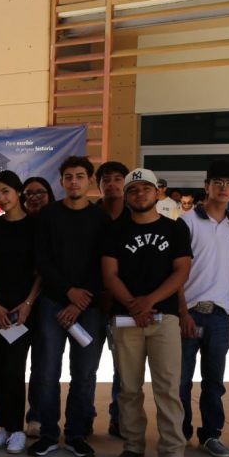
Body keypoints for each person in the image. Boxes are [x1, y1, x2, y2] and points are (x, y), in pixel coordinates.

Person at [100, 167, 192, 457]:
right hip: (126, 318)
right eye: (133, 190)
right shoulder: (114, 231)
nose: (140, 194)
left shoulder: (175, 229)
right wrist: (132, 305)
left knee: (168, 388)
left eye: (145, 189)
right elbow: (109, 274)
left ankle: (172, 452)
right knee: (128, 387)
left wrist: (149, 301)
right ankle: (133, 445)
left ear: (157, 192)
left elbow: (181, 271)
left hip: (164, 317)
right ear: (126, 196)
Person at [31, 155, 106, 457]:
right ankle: (49, 434)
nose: (74, 182)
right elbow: (42, 260)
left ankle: (76, 434)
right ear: (61, 181)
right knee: (47, 371)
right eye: (69, 177)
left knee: (84, 373)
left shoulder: (101, 218)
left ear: (90, 180)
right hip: (52, 303)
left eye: (80, 176)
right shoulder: (48, 216)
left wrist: (81, 300)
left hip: (89, 307)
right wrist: (67, 292)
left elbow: (103, 264)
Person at [178, 159, 229, 457]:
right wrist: (182, 312)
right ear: (206, 186)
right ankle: (179, 433)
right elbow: (176, 271)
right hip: (189, 312)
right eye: (217, 182)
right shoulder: (187, 222)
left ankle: (211, 434)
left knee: (214, 382)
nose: (223, 188)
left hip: (220, 316)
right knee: (180, 380)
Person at [0, 171, 41, 454]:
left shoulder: (36, 226)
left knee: (15, 369)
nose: (1, 198)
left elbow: (41, 272)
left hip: (22, 312)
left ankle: (17, 429)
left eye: (6, 192)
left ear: (18, 192)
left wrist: (27, 304)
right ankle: (2, 425)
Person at [20, 175, 56, 436]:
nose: (34, 198)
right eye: (28, 194)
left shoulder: (58, 223)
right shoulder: (17, 224)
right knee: (15, 363)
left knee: (43, 364)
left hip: (49, 301)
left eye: (39, 192)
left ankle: (38, 416)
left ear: (49, 195)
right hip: (18, 303)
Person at [96, 160, 128, 438]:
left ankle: (119, 417)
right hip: (92, 302)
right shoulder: (90, 216)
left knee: (124, 366)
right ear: (99, 185)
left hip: (126, 303)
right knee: (86, 365)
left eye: (118, 179)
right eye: (106, 179)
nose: (112, 184)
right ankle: (84, 416)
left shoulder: (136, 216)